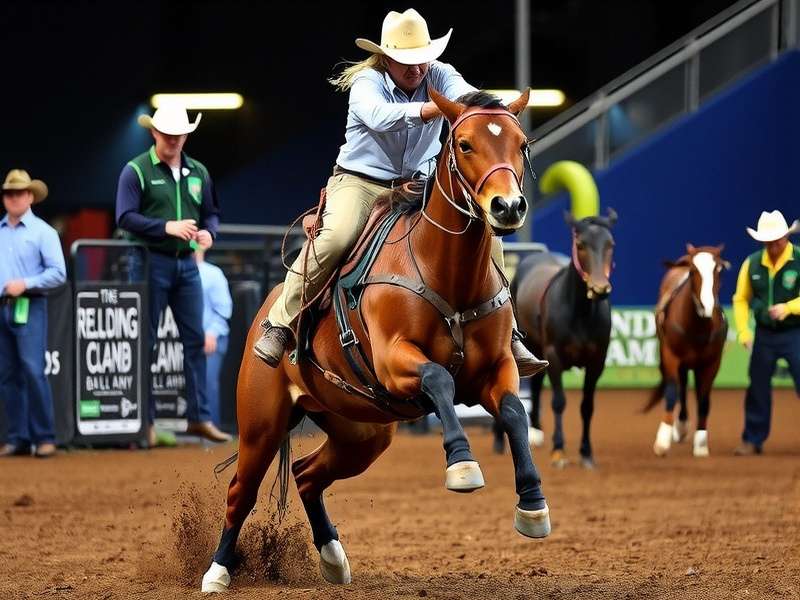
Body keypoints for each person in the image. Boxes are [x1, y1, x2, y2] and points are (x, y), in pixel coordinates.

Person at [253, 8, 547, 377]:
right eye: (407, 61)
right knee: (337, 236)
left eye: (423, 59)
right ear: (385, 58)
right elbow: (378, 116)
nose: (417, 69)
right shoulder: (367, 82)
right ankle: (280, 322)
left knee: (488, 234)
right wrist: (431, 108)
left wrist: (496, 112)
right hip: (361, 182)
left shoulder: (440, 73)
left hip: (419, 183)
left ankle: (510, 334)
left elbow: (469, 99)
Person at [116, 102, 231, 446]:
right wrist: (166, 227)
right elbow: (124, 217)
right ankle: (146, 423)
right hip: (149, 261)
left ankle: (199, 418)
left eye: (179, 134)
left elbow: (211, 213)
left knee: (194, 340)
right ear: (154, 133)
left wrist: (210, 233)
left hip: (186, 264)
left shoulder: (198, 171)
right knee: (147, 343)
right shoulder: (136, 170)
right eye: (168, 134)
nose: (174, 140)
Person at [0, 170, 66, 458]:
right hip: (3, 307)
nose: (14, 198)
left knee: (32, 370)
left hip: (30, 304)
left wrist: (25, 284)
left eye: (19, 193)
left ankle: (45, 437)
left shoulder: (44, 232)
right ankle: (18, 438)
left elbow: (59, 273)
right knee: (7, 375)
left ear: (30, 196)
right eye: (9, 193)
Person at [732, 210, 800, 455]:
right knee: (758, 387)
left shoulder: (798, 259)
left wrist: (788, 308)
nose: (772, 247)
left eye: (777, 241)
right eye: (767, 242)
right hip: (764, 335)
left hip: (795, 331)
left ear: (786, 237)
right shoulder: (752, 263)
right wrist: (743, 331)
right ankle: (753, 438)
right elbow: (741, 299)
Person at [196, 249, 232, 428]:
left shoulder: (213, 273)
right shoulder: (178, 272)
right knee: (196, 385)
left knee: (208, 384)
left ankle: (211, 429)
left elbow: (224, 308)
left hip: (211, 339)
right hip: (191, 340)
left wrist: (212, 333)